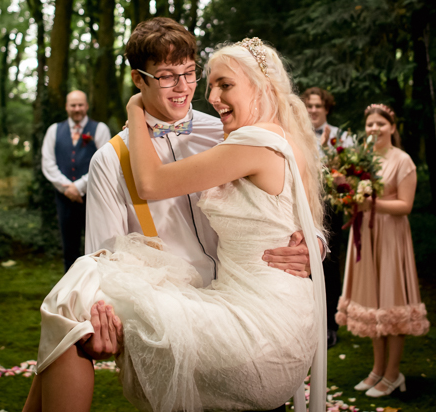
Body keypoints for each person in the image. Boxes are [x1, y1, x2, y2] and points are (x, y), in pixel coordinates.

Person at [23, 35, 327, 412]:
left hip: (245, 323)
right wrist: (103, 322)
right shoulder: (109, 160)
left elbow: (292, 211)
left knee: (66, 301)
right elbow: (105, 257)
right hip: (186, 316)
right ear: (139, 79)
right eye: (168, 76)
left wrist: (312, 245)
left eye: (190, 74)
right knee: (75, 296)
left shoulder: (231, 133)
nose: (192, 90)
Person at [335, 103, 429, 398]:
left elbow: (406, 205)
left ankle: (392, 374)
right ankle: (377, 369)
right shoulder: (362, 159)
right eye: (370, 125)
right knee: (373, 303)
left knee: (391, 301)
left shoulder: (403, 161)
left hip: (390, 237)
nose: (374, 129)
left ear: (392, 127)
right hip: (365, 234)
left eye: (381, 124)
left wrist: (370, 205)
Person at [302, 87, 351, 349]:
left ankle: (331, 325)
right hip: (302, 206)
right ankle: (308, 322)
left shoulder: (342, 137)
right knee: (304, 262)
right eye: (308, 105)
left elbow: (352, 174)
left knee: (330, 264)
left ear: (326, 108)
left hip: (330, 205)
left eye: (317, 106)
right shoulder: (296, 134)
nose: (312, 110)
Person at [41, 90, 111, 271]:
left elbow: (104, 162)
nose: (77, 109)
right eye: (73, 105)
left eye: (80, 105)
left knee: (96, 246)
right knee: (69, 247)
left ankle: (95, 289)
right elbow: (48, 163)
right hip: (64, 198)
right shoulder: (54, 130)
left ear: (86, 106)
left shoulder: (100, 129)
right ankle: (69, 292)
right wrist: (67, 188)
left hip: (94, 196)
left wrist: (79, 186)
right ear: (66, 107)